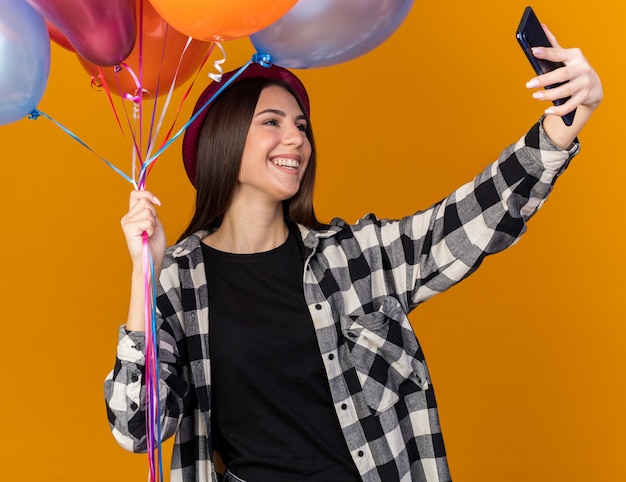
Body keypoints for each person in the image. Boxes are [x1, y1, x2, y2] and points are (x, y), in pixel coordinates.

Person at [105, 24, 602, 482]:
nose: (297, 138)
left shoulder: (352, 257)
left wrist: (561, 126)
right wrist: (143, 277)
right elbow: (137, 430)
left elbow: (467, 221)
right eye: (272, 122)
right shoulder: (179, 282)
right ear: (225, 139)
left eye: (301, 126)